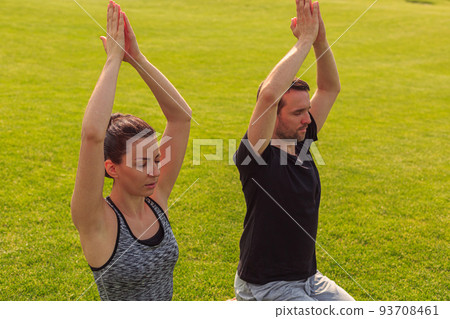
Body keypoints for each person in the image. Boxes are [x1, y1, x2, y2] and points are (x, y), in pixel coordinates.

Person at [233, 0, 354, 301]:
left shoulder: (301, 142)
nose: (307, 119)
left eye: (307, 110)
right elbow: (269, 94)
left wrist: (321, 39)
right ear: (273, 114)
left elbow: (329, 88)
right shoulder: (255, 156)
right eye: (298, 112)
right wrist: (303, 41)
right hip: (267, 284)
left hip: (309, 278)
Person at [71, 1, 191, 300]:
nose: (154, 171)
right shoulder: (96, 220)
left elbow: (181, 117)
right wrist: (112, 60)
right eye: (142, 163)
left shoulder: (156, 199)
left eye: (156, 159)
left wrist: (137, 58)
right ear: (111, 168)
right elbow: (92, 135)